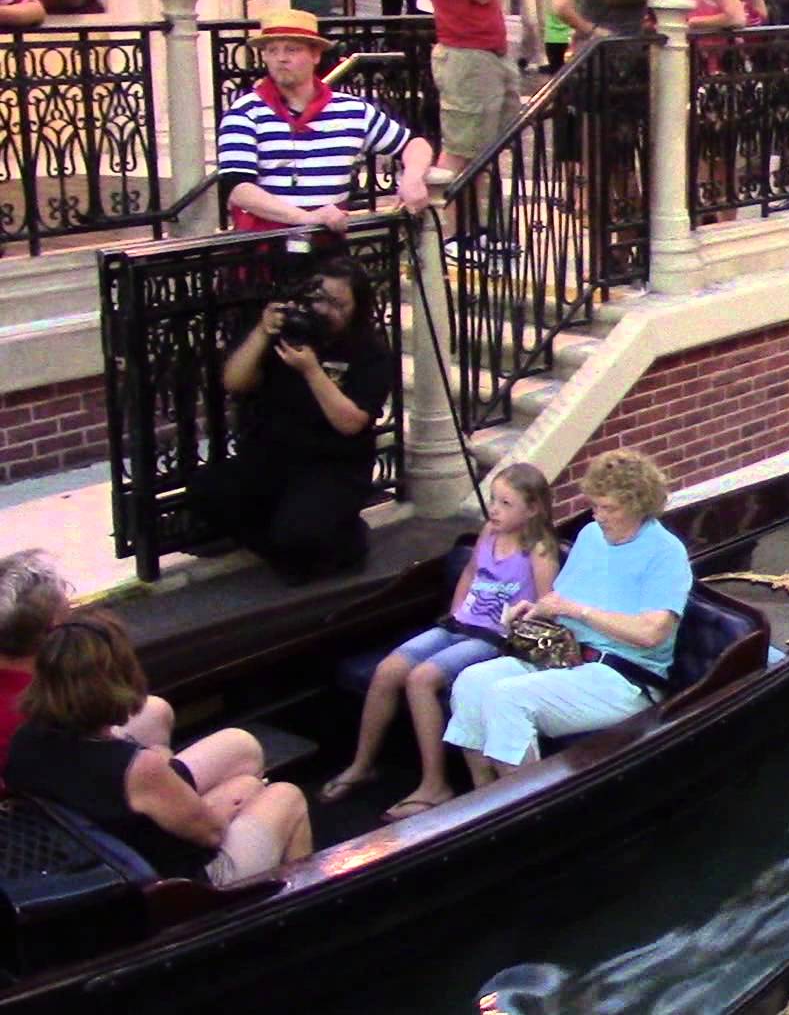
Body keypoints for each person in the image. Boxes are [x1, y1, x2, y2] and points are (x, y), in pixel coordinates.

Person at [320, 464, 560, 821]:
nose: (494, 509)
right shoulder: (488, 534)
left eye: (506, 504)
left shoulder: (539, 550)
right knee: (388, 670)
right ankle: (362, 764)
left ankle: (435, 784)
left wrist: (517, 623)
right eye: (494, 500)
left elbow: (548, 608)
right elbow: (469, 572)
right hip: (460, 625)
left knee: (421, 679)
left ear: (533, 509)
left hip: (496, 637)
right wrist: (456, 613)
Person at [4, 611, 312, 886]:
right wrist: (226, 808)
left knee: (244, 771)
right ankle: (298, 906)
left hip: (104, 851)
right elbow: (211, 834)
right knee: (286, 797)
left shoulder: (24, 742)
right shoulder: (135, 769)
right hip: (184, 887)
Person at [443, 448, 691, 787]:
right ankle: (483, 793)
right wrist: (536, 610)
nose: (599, 516)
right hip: (567, 656)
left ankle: (526, 804)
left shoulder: (666, 553)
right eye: (595, 506)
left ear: (638, 506)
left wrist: (580, 611)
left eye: (609, 508)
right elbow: (562, 600)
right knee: (470, 683)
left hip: (623, 678)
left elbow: (651, 633)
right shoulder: (591, 536)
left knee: (508, 699)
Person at [186, 256, 393, 582]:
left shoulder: (371, 353)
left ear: (357, 308)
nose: (324, 310)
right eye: (318, 299)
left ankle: (340, 542)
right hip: (275, 456)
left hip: (334, 466)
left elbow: (351, 422)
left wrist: (311, 371)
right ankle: (288, 547)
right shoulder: (289, 333)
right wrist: (262, 331)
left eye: (337, 304)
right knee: (206, 491)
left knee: (300, 540)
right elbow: (234, 382)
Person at [216, 8, 432, 232]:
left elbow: (414, 144)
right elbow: (237, 188)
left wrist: (413, 178)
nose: (281, 58)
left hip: (329, 244)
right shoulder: (245, 112)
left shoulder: (351, 110)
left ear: (315, 55)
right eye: (272, 50)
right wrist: (305, 218)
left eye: (292, 49)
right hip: (265, 245)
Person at [0, 551, 173, 779]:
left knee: (156, 710)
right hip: (51, 800)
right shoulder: (51, 698)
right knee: (235, 748)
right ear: (55, 626)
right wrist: (158, 763)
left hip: (48, 774)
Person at [422, 0, 522, 195]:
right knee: (460, 151)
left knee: (487, 151)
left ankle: (477, 229)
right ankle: (445, 232)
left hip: (492, 49)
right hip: (465, 52)